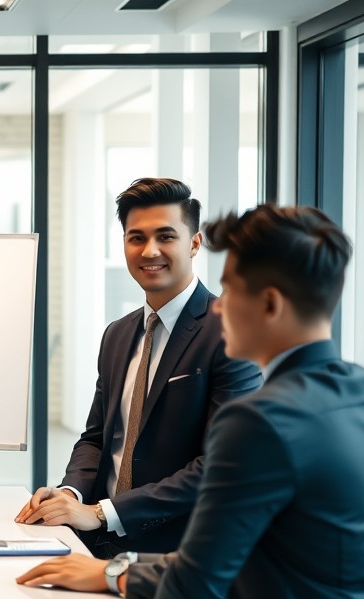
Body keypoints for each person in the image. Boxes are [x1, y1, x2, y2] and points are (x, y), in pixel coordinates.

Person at [16, 204, 364, 599]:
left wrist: (108, 573)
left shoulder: (260, 418)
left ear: (271, 304)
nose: (221, 305)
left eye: (230, 290)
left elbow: (195, 583)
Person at [17, 178, 260, 557]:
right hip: (96, 546)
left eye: (165, 237)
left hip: (174, 555)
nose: (150, 251)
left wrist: (101, 513)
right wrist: (69, 495)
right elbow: (97, 438)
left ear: (194, 244)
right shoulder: (118, 334)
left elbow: (219, 466)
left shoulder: (229, 332)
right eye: (136, 238)